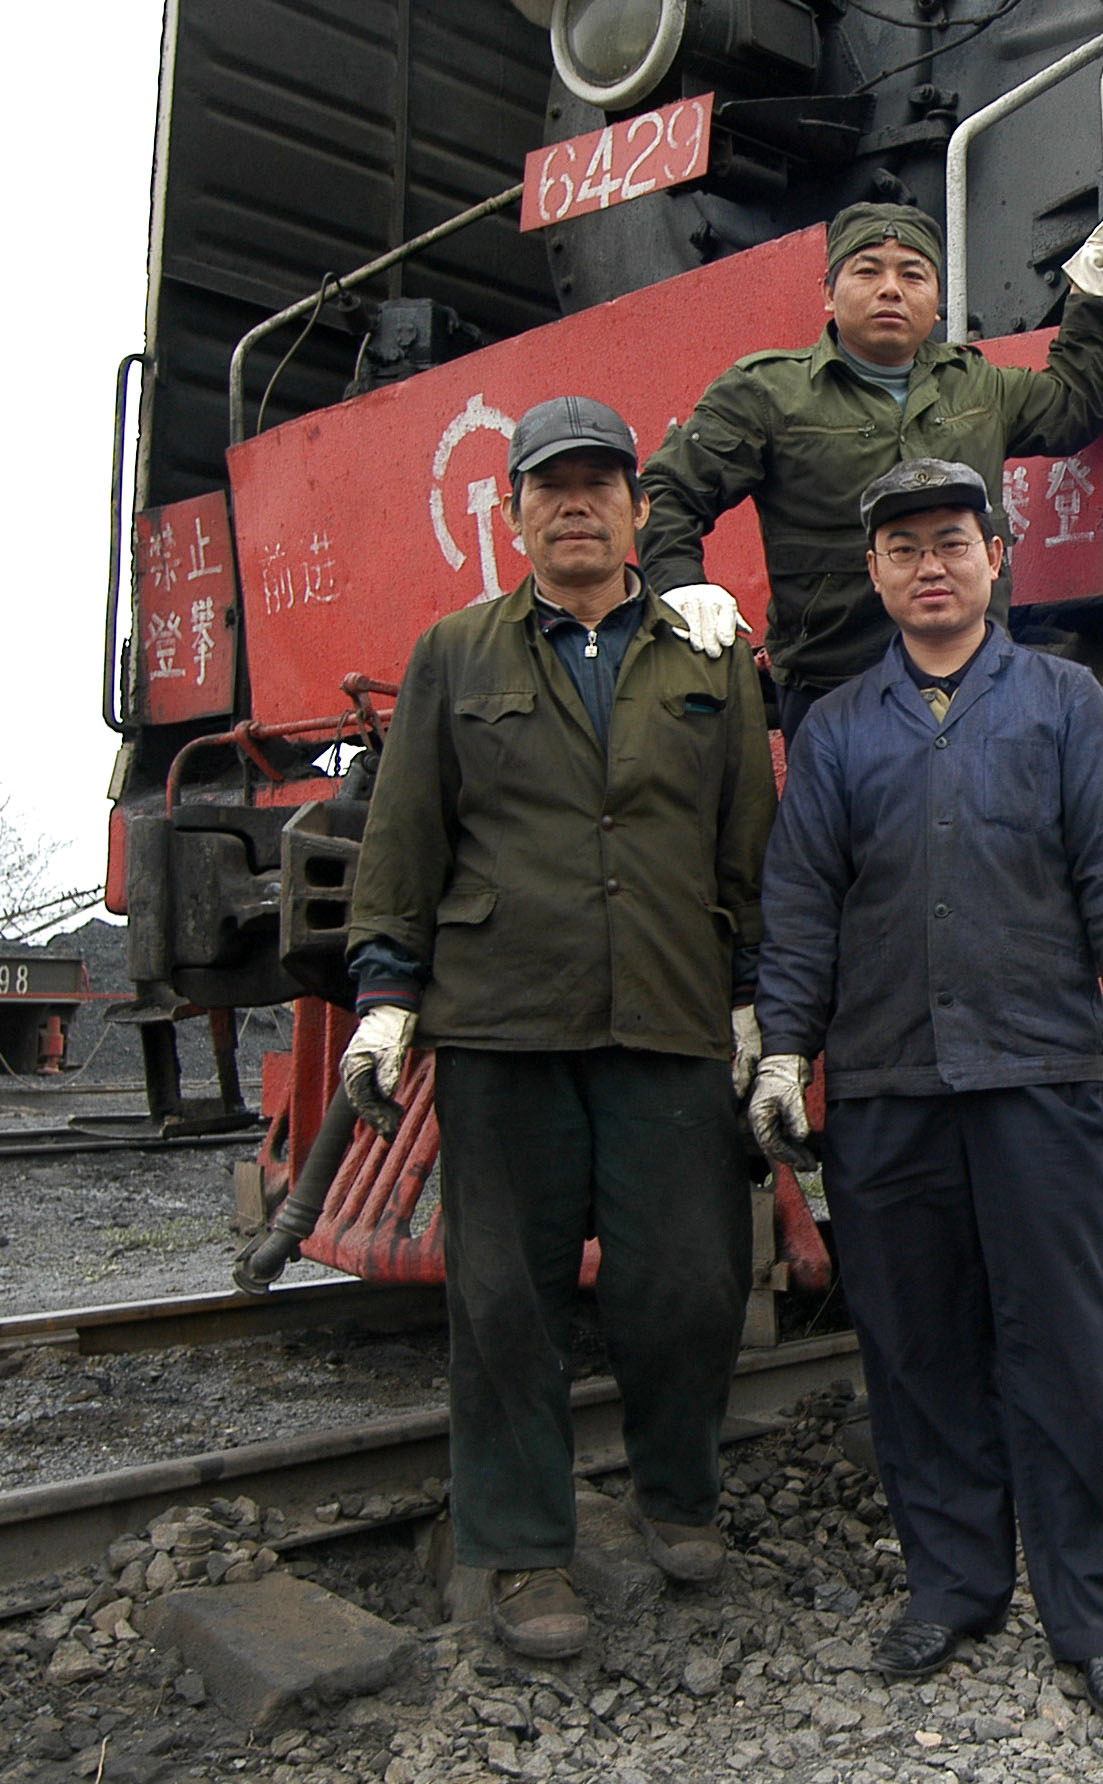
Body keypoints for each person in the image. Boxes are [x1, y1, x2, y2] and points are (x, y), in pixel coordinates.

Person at [748, 456, 1103, 1727]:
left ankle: (1101, 1615)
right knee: (917, 1346)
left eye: (951, 540)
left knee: (1059, 1348)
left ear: (997, 556)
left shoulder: (1059, 703)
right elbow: (800, 913)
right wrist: (786, 1045)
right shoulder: (834, 730)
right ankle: (952, 1583)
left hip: (1038, 1077)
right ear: (875, 573)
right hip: (887, 1086)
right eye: (902, 548)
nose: (928, 565)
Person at [339, 397, 778, 1660]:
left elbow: (745, 836)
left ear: (641, 511)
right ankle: (523, 1548)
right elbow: (405, 834)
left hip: (671, 1011)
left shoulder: (710, 657)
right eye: (550, 485)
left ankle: (675, 1495)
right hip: (502, 1017)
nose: (574, 504)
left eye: (600, 484)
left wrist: (761, 1004)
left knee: (687, 1283)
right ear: (513, 512)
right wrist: (384, 997)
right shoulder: (453, 652)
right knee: (504, 1300)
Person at [637, 202, 1103, 739]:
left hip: (967, 679)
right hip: (830, 686)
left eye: (912, 274)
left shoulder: (978, 386)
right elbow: (667, 490)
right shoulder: (766, 393)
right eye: (867, 270)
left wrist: (1087, 297)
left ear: (938, 302)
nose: (890, 288)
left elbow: (1072, 408)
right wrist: (680, 585)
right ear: (829, 293)